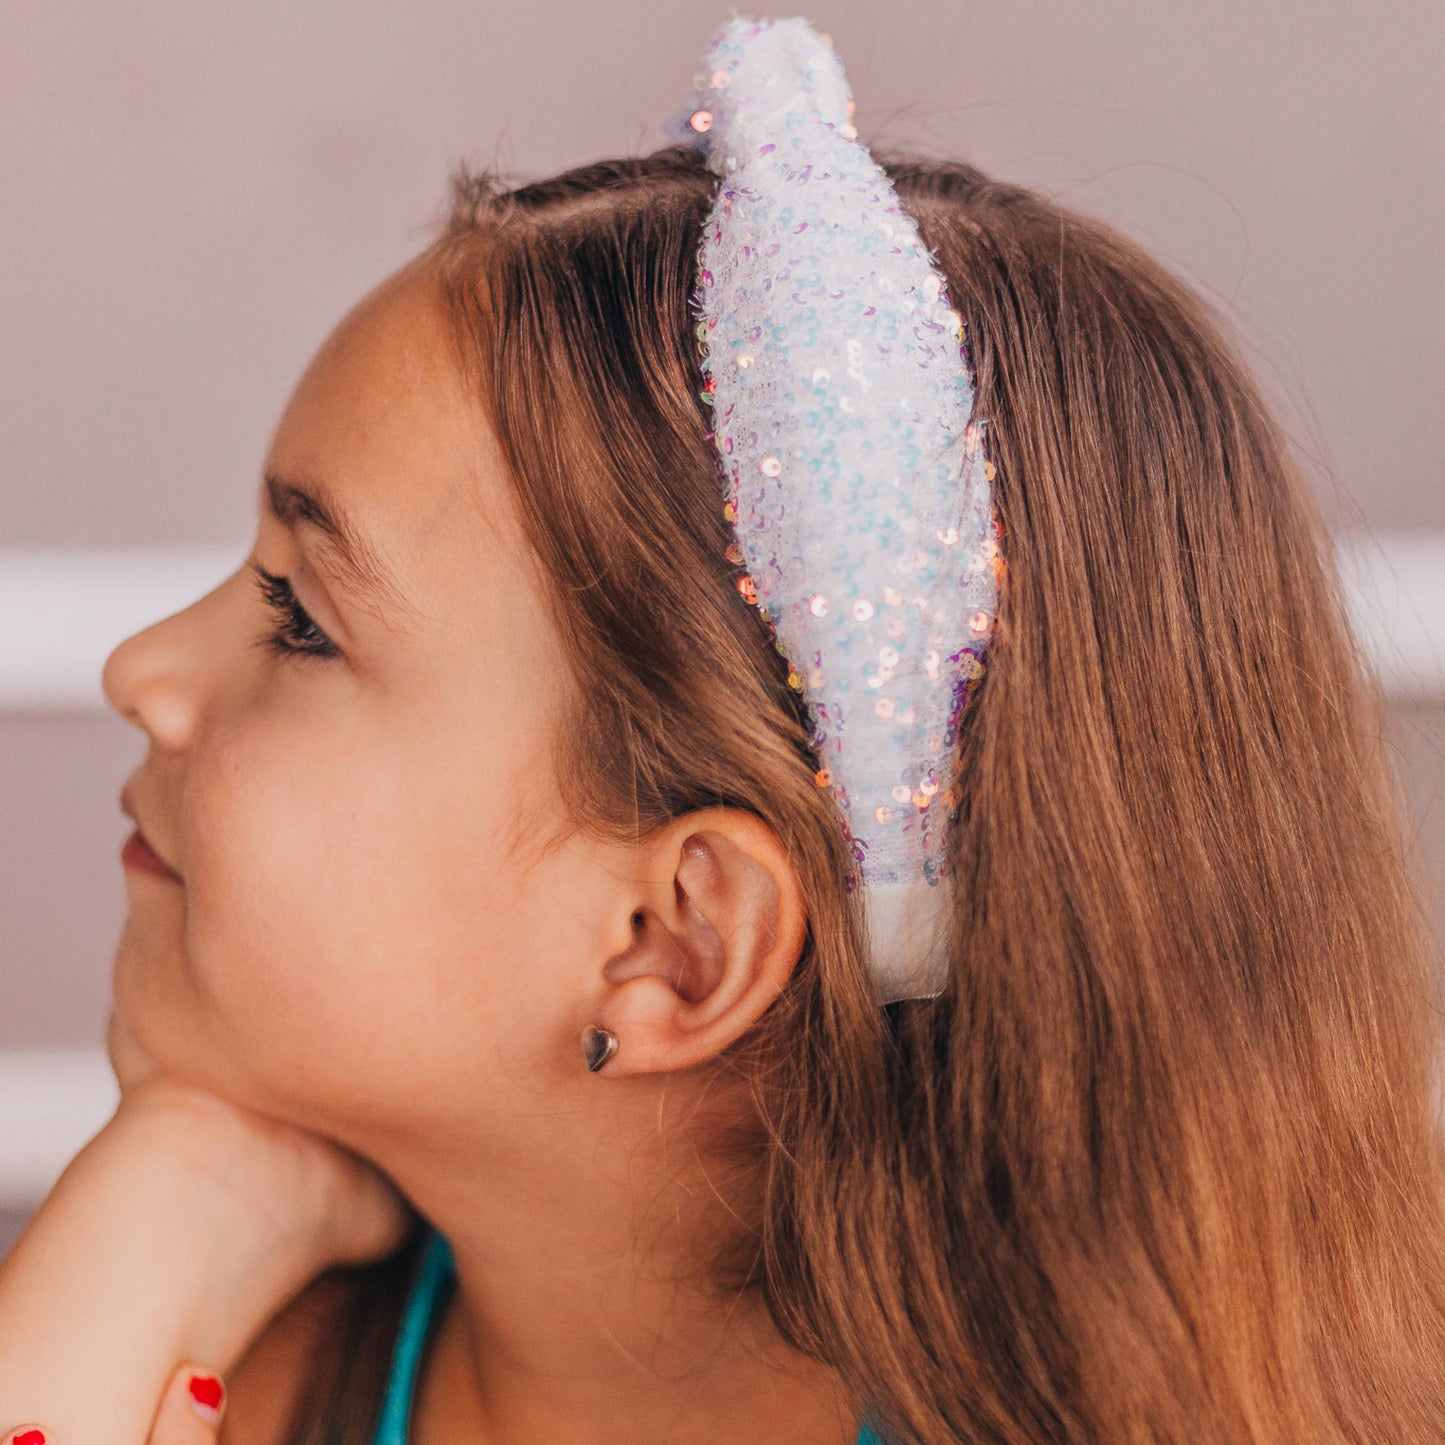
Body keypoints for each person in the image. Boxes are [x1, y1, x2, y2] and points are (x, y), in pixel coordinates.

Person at [5, 13, 1445, 1444]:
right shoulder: (185, 1342)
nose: (141, 666)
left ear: (675, 943)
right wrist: (164, 1212)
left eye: (301, 616)